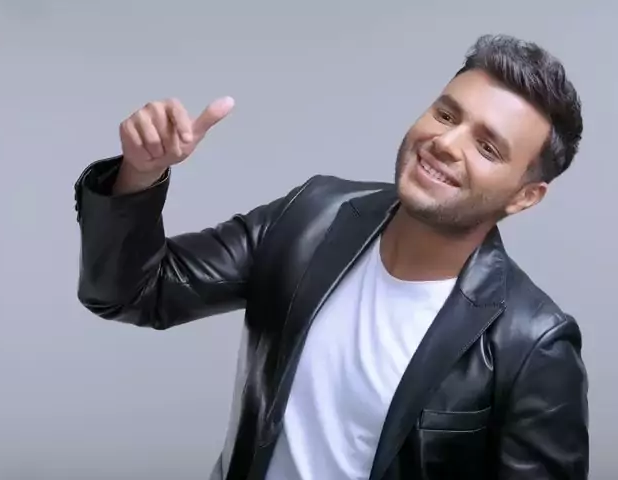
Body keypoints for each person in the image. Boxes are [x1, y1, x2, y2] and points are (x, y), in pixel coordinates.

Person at [73, 34, 588, 480]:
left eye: (488, 147)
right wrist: (139, 175)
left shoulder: (532, 343)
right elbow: (132, 293)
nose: (446, 143)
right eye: (446, 114)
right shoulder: (313, 216)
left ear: (525, 197)